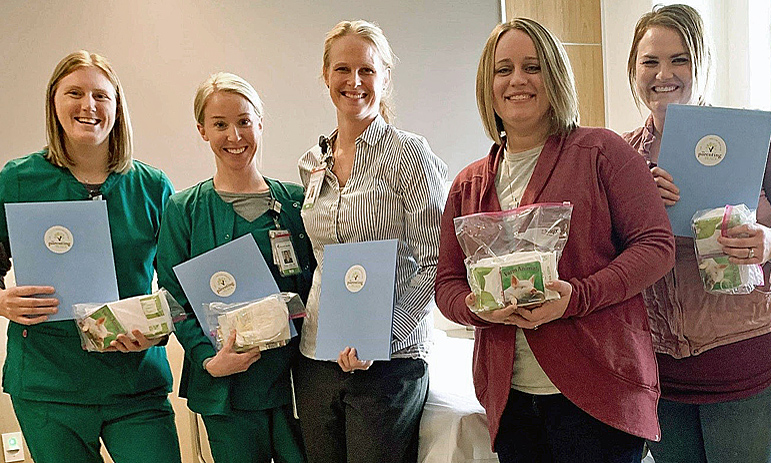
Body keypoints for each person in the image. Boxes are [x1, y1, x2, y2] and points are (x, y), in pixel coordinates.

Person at [434, 18, 676, 463]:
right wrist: (477, 307)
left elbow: (656, 247)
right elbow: (447, 284)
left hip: (599, 397)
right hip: (511, 401)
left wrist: (577, 296)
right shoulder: (467, 185)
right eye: (502, 69)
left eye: (533, 66)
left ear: (556, 76)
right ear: (488, 86)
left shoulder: (602, 153)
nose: (517, 80)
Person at [0, 50, 181, 463]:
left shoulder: (151, 186)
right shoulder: (17, 180)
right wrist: (1, 301)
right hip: (50, 385)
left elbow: (177, 286)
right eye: (75, 93)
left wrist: (160, 328)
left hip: (135, 383)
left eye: (101, 95)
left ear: (118, 107)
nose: (89, 106)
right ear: (54, 102)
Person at [294, 19, 447, 463]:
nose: (354, 81)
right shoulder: (311, 164)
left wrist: (377, 335)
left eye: (366, 70)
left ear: (384, 77)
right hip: (318, 355)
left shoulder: (410, 155)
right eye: (342, 69)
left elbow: (436, 260)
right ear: (326, 76)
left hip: (390, 362)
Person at [624, 5, 771, 462]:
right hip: (661, 376)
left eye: (680, 59)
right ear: (635, 69)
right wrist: (633, 206)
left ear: (701, 63)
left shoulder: (753, 139)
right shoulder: (619, 158)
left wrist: (769, 241)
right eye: (650, 61)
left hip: (744, 370)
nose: (663, 74)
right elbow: (605, 259)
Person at [156, 72, 313, 463]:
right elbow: (171, 298)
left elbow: (319, 282)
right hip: (227, 388)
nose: (234, 136)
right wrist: (206, 358)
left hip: (296, 382)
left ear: (260, 123)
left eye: (244, 121)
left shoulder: (298, 203)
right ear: (202, 131)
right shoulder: (184, 209)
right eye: (220, 124)